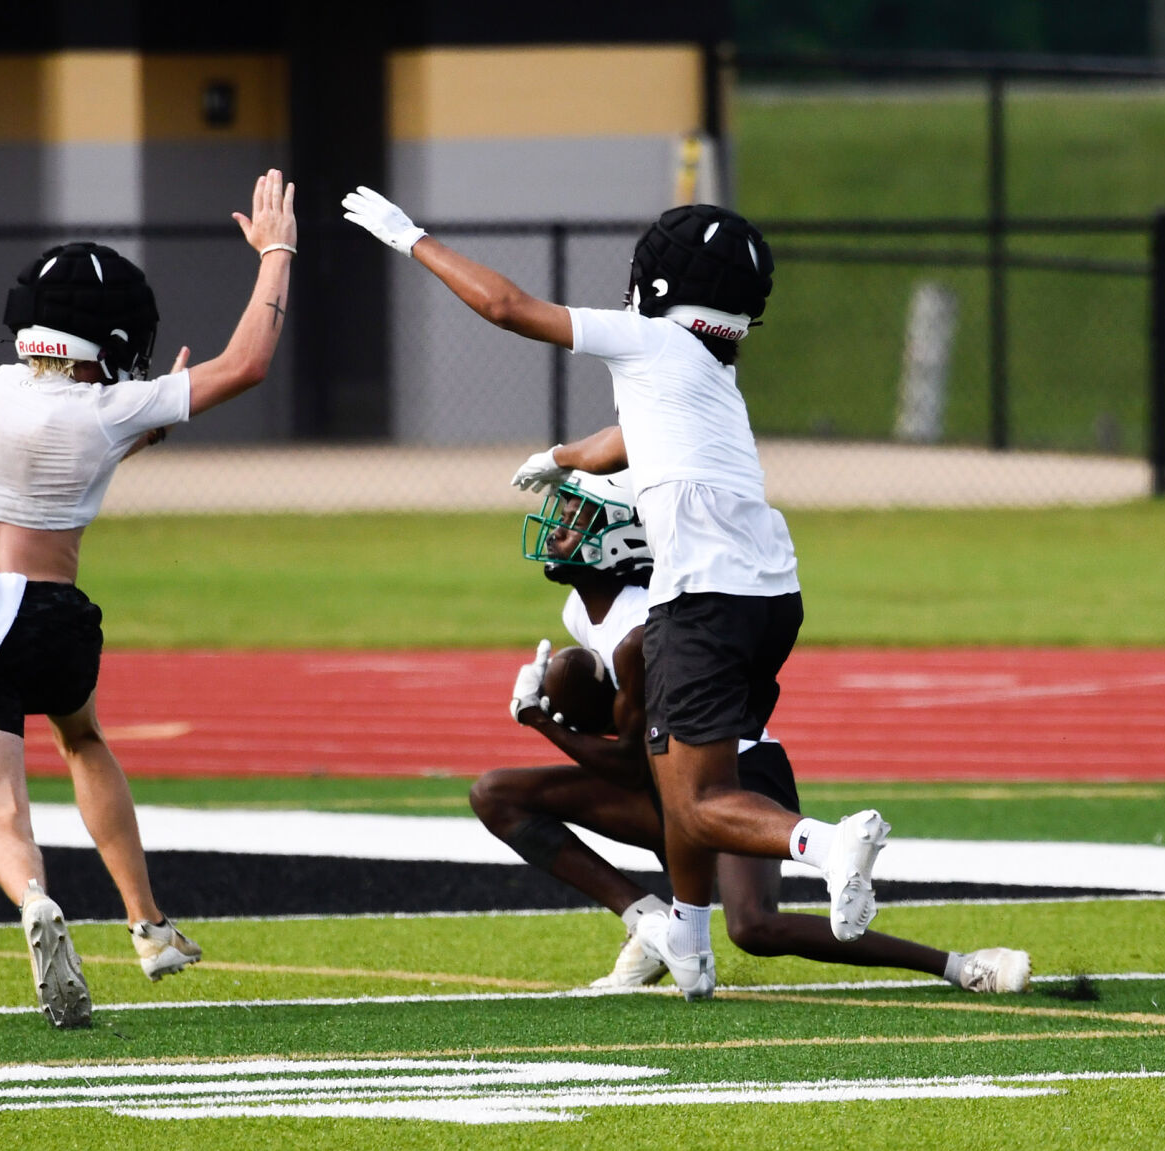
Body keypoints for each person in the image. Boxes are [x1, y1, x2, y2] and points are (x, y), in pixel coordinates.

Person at [342, 186, 921, 1000]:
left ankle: (826, 845)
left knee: (697, 802)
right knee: (677, 773)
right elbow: (627, 439)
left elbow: (507, 307)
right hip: (770, 594)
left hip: (703, 594)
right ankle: (686, 935)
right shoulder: (708, 369)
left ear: (660, 281)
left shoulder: (651, 339)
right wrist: (562, 457)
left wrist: (412, 239)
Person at [0, 171, 298, 1027]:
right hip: (50, 620)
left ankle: (34, 899)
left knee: (1, 815)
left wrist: (137, 420)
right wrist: (276, 251)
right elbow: (246, 363)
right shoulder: (112, 410)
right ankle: (148, 924)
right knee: (82, 738)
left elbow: (49, 438)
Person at [473, 470, 1031, 994]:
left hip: (733, 773)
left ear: (620, 539)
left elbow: (625, 762)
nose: (558, 529)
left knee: (754, 926)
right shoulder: (580, 611)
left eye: (577, 520)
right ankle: (649, 923)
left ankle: (961, 966)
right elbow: (635, 749)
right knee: (496, 795)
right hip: (666, 779)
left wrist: (539, 718)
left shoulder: (639, 632)